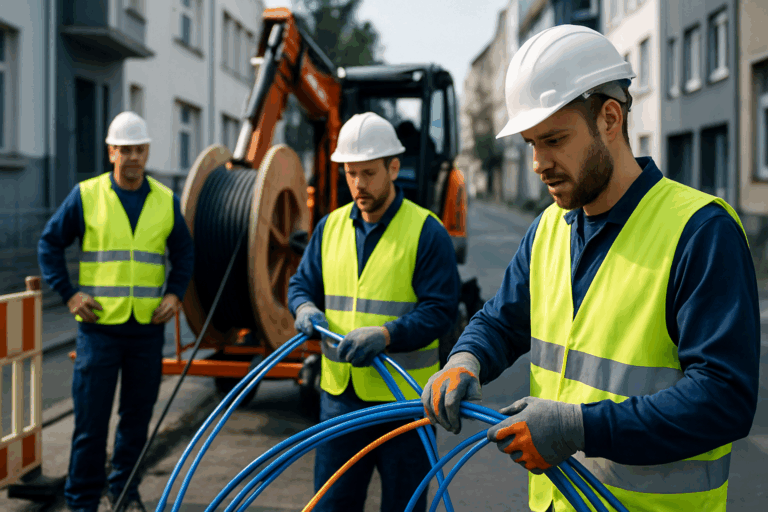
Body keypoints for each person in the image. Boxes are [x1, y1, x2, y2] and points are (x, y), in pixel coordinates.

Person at [423, 25, 759, 512]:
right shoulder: (550, 229)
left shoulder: (700, 231)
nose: (538, 163)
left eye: (554, 139)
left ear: (609, 118)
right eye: (530, 143)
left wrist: (580, 427)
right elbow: (501, 320)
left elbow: (723, 398)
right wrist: (466, 358)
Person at [288, 112, 460, 512]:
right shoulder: (329, 228)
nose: (359, 185)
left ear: (393, 167)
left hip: (404, 405)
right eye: (350, 173)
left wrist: (386, 335)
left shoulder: (426, 231)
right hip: (339, 400)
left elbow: (440, 311)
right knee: (332, 505)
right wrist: (304, 306)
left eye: (368, 173)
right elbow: (301, 284)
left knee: (404, 505)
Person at [38, 111, 195, 512]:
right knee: (90, 426)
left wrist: (175, 294)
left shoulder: (165, 202)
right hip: (98, 332)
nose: (132, 157)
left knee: (135, 423)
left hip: (145, 331)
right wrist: (70, 295)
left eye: (139, 150)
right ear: (111, 153)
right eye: (124, 150)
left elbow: (184, 251)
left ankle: (125, 492)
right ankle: (82, 502)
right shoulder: (86, 196)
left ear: (147, 152)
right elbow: (49, 244)